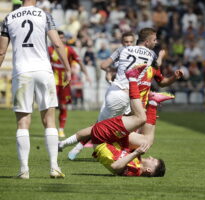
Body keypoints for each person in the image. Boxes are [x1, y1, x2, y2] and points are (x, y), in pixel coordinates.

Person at [67, 29, 184, 160]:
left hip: (134, 101)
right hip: (123, 95)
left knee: (114, 130)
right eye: (125, 42)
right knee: (103, 127)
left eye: (130, 42)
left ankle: (113, 154)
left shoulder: (138, 59)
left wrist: (174, 77)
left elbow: (160, 78)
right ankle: (77, 147)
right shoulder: (138, 54)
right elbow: (105, 65)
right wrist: (113, 72)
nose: (128, 44)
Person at [0, 0, 71, 179]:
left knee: (23, 123)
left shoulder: (8, 18)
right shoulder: (44, 15)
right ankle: (54, 167)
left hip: (22, 72)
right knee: (49, 121)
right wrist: (67, 68)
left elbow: (1, 52)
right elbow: (57, 44)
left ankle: (24, 170)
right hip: (43, 72)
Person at [59, 65, 173, 176]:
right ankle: (153, 102)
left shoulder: (135, 171)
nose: (152, 157)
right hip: (114, 140)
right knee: (147, 141)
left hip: (103, 140)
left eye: (154, 161)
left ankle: (132, 78)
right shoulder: (138, 161)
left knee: (140, 118)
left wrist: (136, 152)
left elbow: (115, 167)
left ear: (148, 170)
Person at [48, 30, 91, 138]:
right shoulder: (49, 50)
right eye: (59, 37)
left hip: (65, 82)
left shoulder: (69, 50)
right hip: (52, 81)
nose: (61, 39)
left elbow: (80, 62)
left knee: (63, 105)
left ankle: (61, 129)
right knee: (50, 106)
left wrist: (87, 75)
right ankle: (50, 128)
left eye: (62, 37)